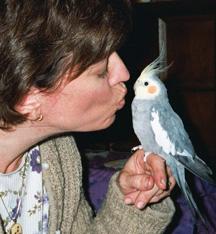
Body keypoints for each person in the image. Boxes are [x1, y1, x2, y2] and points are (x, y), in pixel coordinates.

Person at [0, 0, 176, 233]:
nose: (124, 73)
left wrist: (133, 203)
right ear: (27, 98)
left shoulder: (57, 152)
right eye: (101, 71)